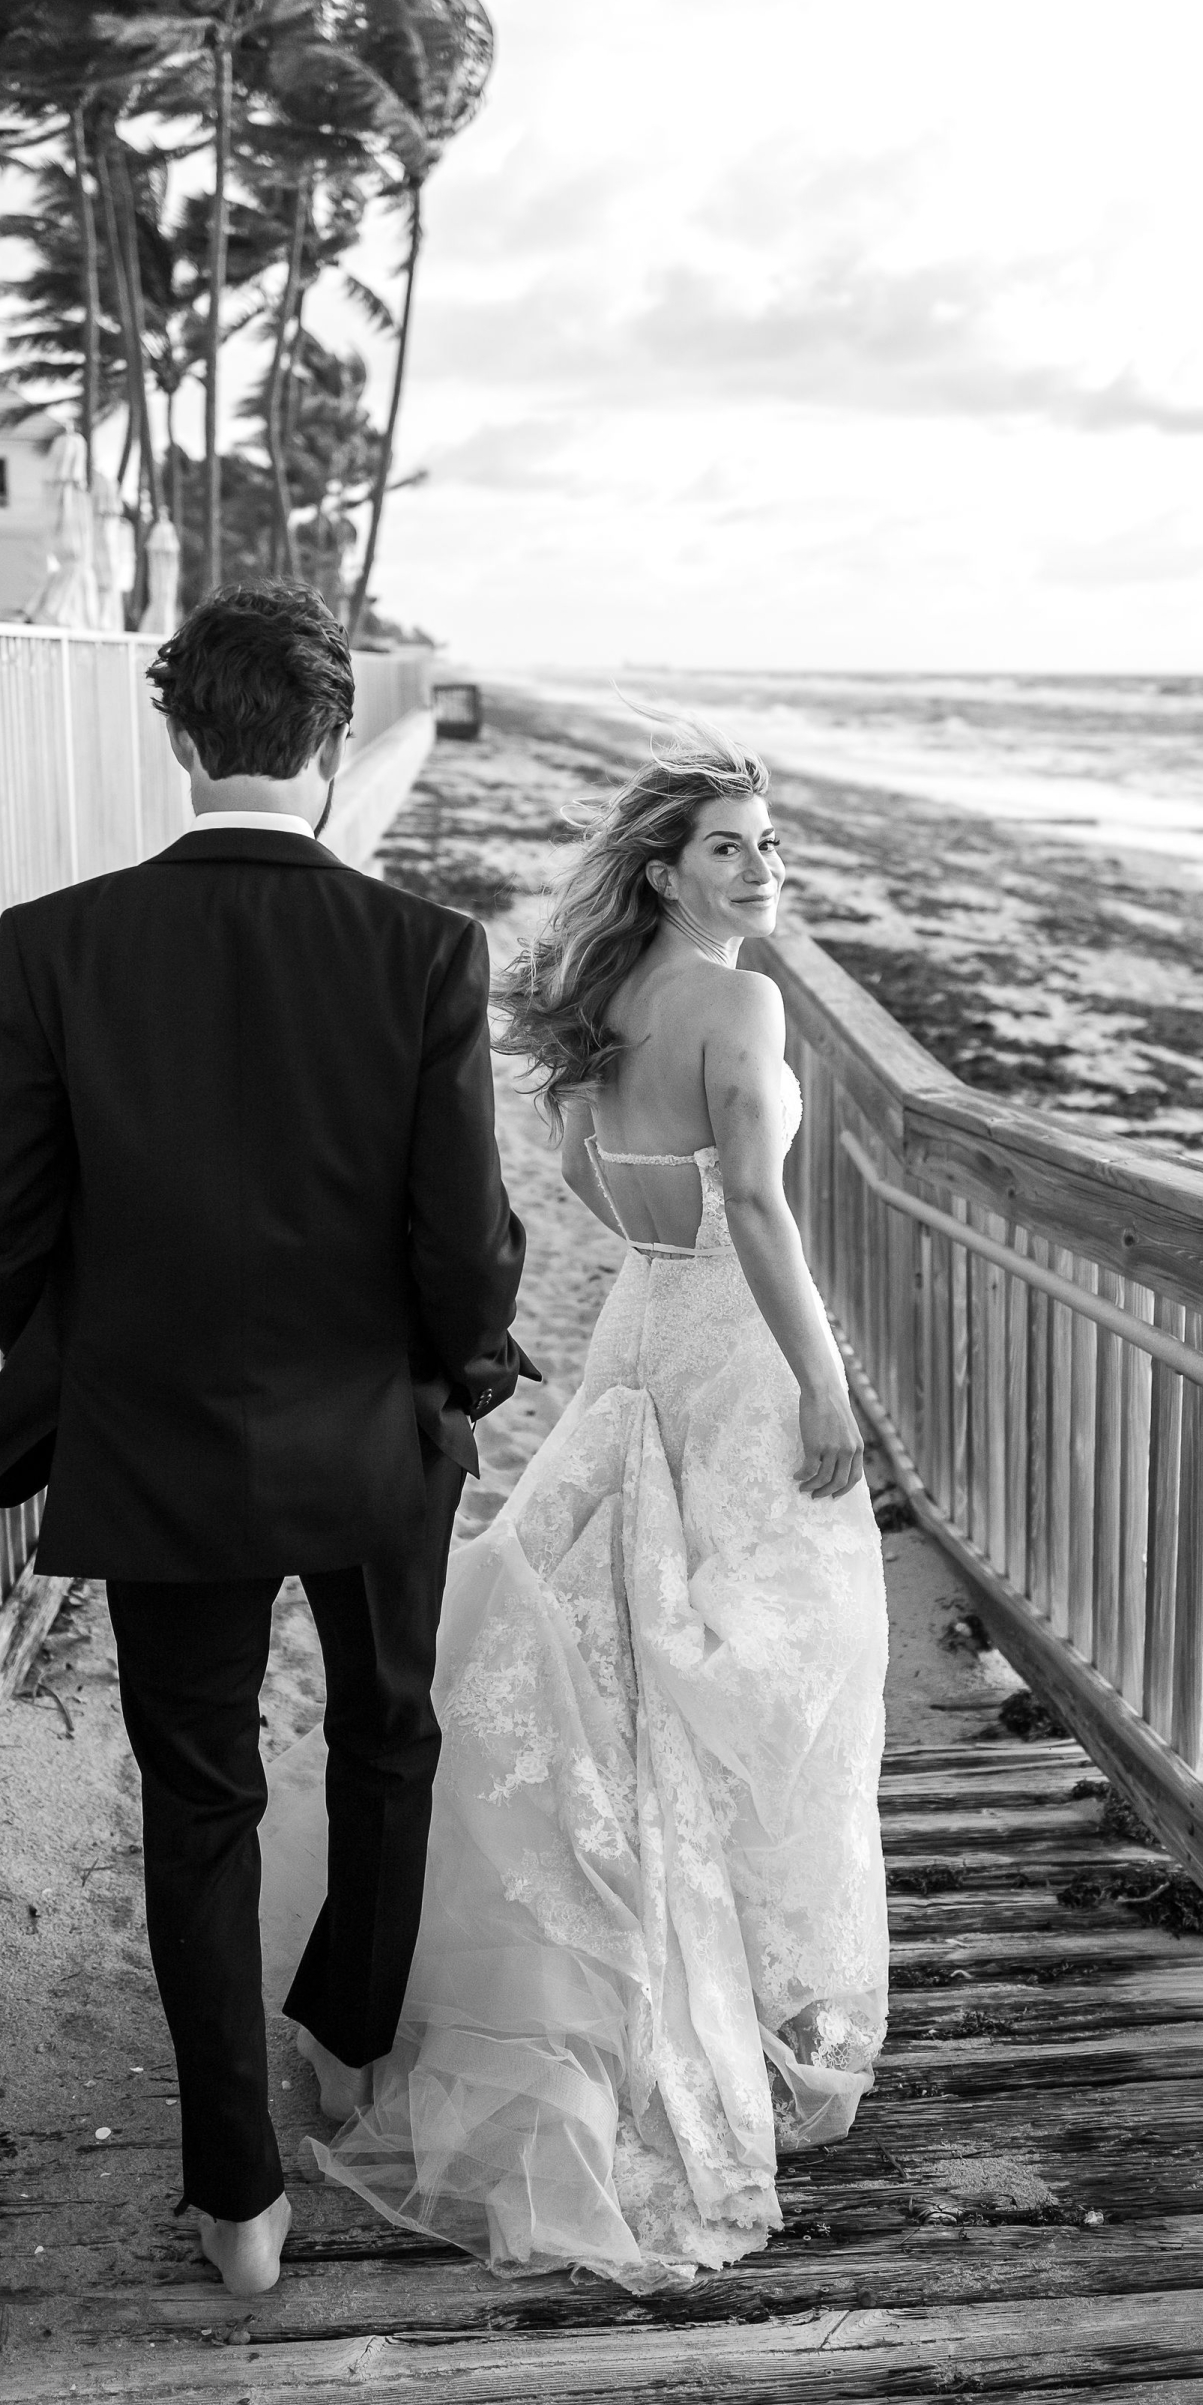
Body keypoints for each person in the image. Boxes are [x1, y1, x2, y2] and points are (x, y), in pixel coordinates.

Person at [0, 581, 533, 2298]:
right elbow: (459, 1237)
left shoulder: (53, 941)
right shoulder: (426, 951)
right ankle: (349, 2032)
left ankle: (238, 2201)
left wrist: (114, 1361)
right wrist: (469, 1368)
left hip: (163, 1444)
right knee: (388, 1731)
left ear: (182, 735)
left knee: (199, 1798)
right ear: (334, 748)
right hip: (375, 1440)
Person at [266, 722, 888, 2292]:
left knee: (624, 1642)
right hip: (737, 1353)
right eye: (733, 845)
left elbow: (606, 1193)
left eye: (773, 841)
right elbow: (753, 1204)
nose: (766, 865)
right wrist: (823, 1381)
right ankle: (726, 1997)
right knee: (775, 1660)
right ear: (668, 870)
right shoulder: (740, 999)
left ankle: (634, 1974)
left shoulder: (603, 1007)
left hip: (639, 1330)